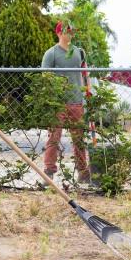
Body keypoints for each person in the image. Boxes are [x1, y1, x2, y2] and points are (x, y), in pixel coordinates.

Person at [41, 21, 91, 183]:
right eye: (65, 31)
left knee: (79, 139)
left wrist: (88, 89)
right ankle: (49, 171)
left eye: (71, 31)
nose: (68, 34)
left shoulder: (79, 52)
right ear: (58, 33)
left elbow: (85, 73)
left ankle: (83, 172)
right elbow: (45, 78)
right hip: (57, 103)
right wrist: (49, 101)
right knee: (53, 138)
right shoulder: (51, 54)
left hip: (76, 102)